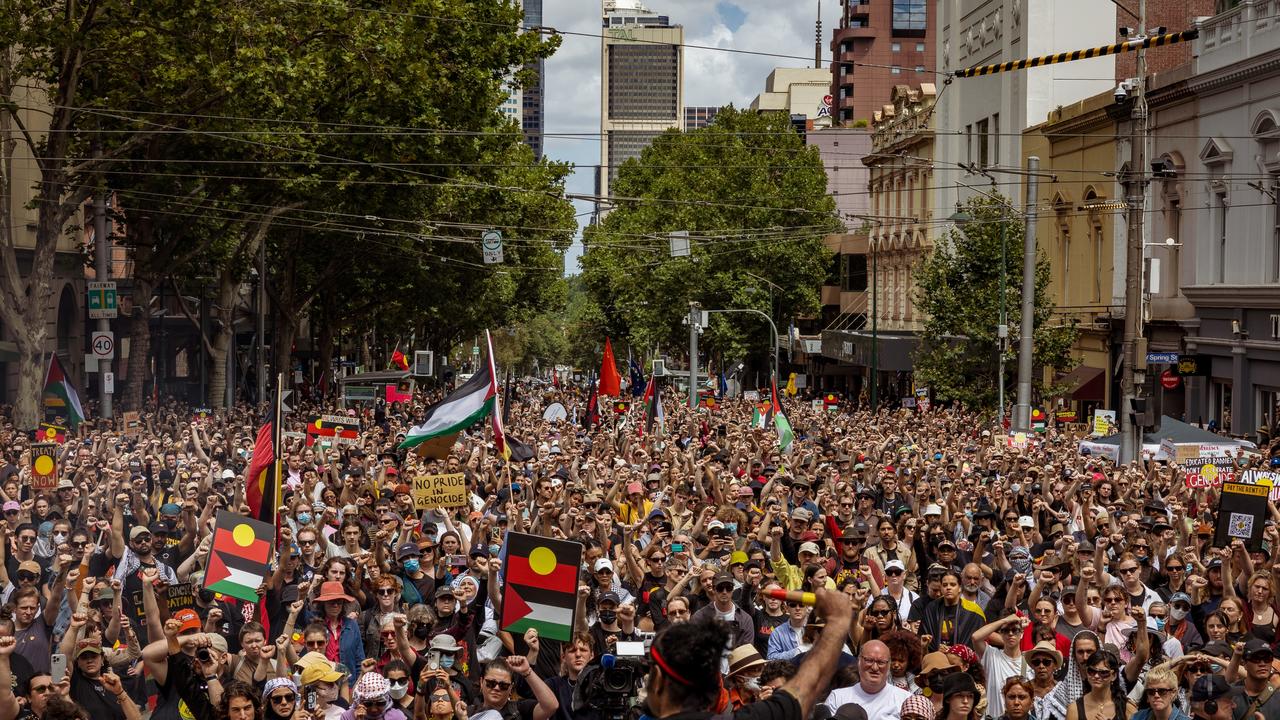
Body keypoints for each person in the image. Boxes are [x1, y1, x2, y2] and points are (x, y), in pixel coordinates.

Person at [822, 639, 912, 719]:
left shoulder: (905, 700)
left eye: (881, 662)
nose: (875, 667)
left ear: (888, 665)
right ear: (859, 662)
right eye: (869, 660)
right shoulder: (837, 697)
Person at [469, 656, 558, 720]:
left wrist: (527, 671)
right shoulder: (468, 712)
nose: (496, 688)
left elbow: (551, 706)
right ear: (481, 682)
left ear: (511, 688)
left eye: (503, 685)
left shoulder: (520, 709)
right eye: (491, 683)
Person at [1065, 648, 1135, 720]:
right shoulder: (1074, 709)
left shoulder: (1127, 708)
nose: (1096, 676)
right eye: (1091, 671)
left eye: (1103, 672)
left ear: (1113, 675)